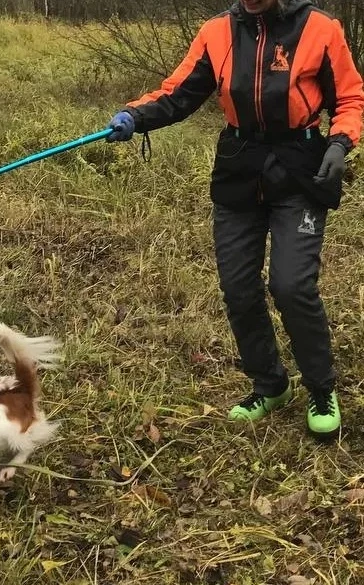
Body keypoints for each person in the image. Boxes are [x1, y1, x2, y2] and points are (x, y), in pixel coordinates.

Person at [106, 0, 364, 439]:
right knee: (239, 288)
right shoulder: (216, 32)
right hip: (238, 172)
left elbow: (351, 98)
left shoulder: (320, 28)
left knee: (291, 284)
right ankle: (270, 385)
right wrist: (136, 115)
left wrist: (340, 143)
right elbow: (179, 93)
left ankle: (321, 388)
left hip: (300, 172)